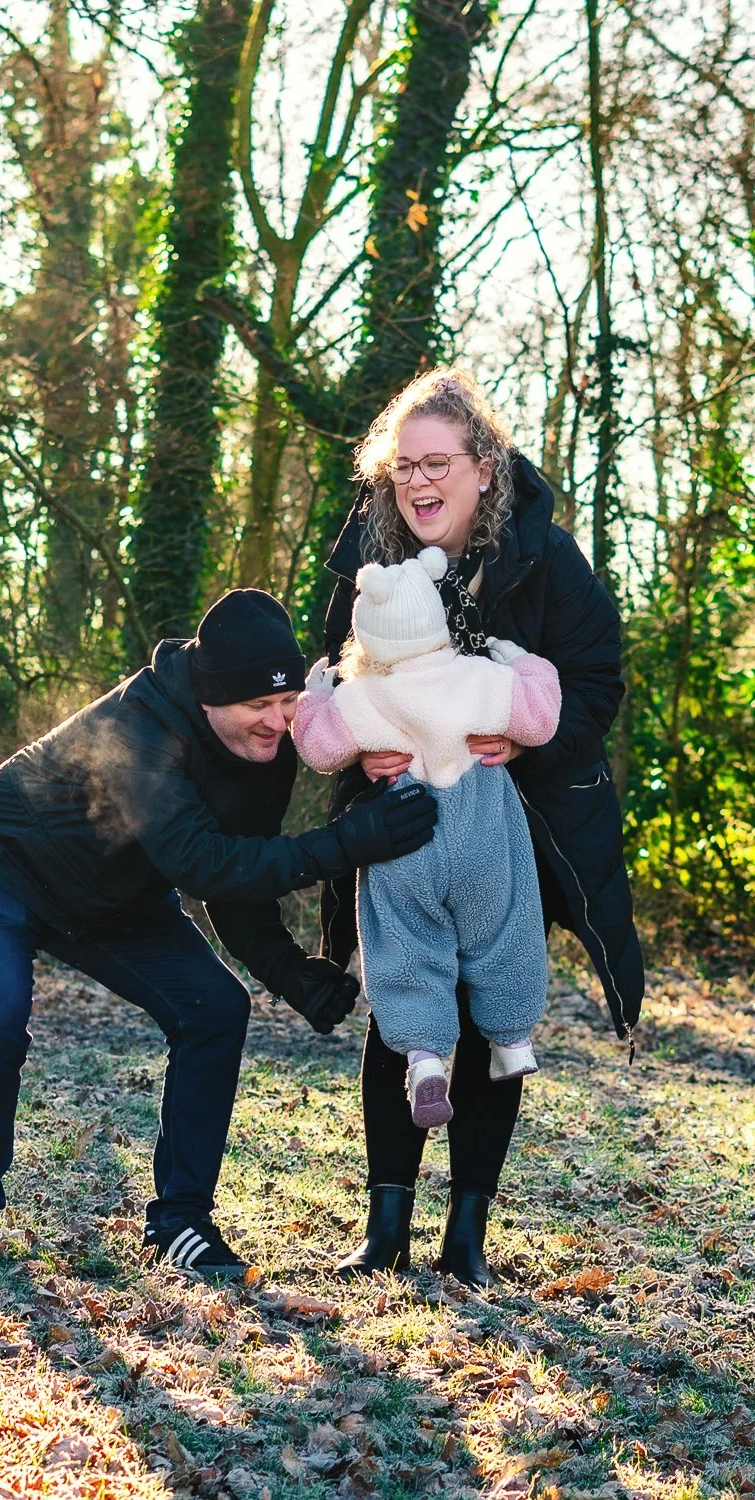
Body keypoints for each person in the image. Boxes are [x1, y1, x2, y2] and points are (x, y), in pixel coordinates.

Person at [0, 588, 437, 1280]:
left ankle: (180, 1222)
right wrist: (342, 845)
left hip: (114, 896)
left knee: (216, 1010)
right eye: (259, 706)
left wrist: (285, 969)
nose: (278, 723)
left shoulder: (267, 746)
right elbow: (200, 862)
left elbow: (234, 871)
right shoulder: (140, 727)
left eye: (287, 705)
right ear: (213, 698)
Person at [318, 366, 644, 1285]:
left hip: (518, 829)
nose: (418, 483)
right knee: (403, 1011)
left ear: (484, 468)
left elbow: (595, 683)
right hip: (398, 824)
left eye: (436, 464)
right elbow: (330, 671)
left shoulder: (546, 558)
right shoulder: (365, 552)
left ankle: (467, 1235)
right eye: (402, 467)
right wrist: (362, 748)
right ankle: (385, 1230)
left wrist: (521, 741)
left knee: (491, 1015)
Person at [293, 547, 562, 1126]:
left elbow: (316, 748)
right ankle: (512, 1041)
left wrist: (316, 693)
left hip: (405, 833)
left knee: (405, 942)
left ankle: (423, 1062)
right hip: (482, 829)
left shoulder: (362, 695)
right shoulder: (477, 676)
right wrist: (519, 661)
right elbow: (541, 719)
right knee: (507, 926)